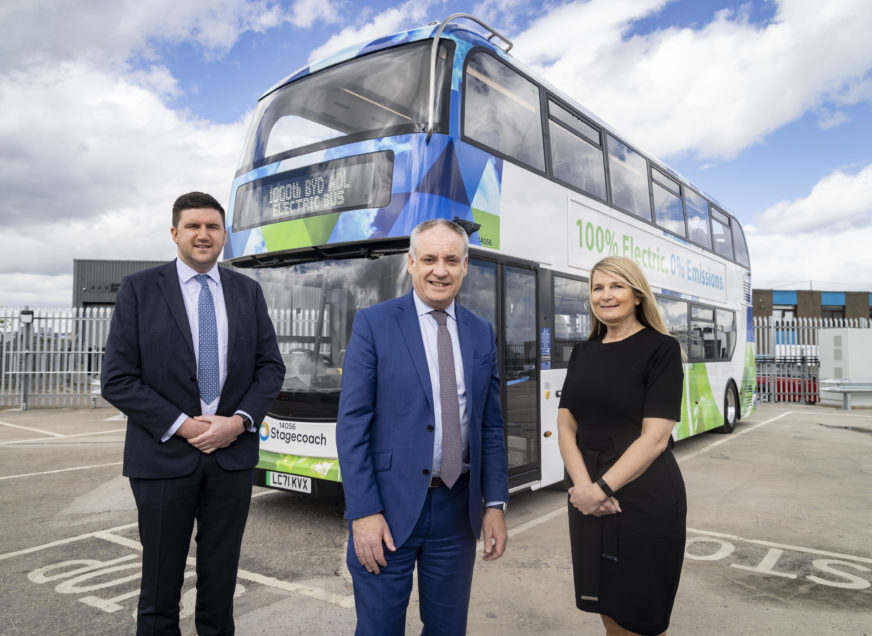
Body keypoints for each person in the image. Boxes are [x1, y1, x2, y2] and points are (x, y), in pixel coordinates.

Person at [101, 191, 285, 635]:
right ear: (174, 234)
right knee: (160, 587)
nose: (203, 235)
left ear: (225, 235)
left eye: (213, 227)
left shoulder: (248, 291)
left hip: (231, 459)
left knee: (220, 585)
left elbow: (270, 367)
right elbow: (118, 378)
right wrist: (183, 426)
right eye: (193, 226)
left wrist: (237, 422)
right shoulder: (140, 290)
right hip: (162, 461)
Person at [336, 218, 509, 636]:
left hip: (457, 510)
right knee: (378, 629)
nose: (440, 270)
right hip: (387, 512)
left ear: (465, 266)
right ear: (411, 263)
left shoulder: (481, 332)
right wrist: (364, 513)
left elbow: (490, 425)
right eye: (429, 258)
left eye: (452, 259)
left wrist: (495, 505)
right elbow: (352, 425)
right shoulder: (374, 323)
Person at [557, 256, 686, 636]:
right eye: (597, 287)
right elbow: (566, 423)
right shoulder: (583, 352)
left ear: (636, 295)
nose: (606, 295)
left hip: (642, 497)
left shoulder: (661, 349)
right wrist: (583, 489)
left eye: (616, 286)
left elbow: (656, 437)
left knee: (641, 620)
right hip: (588, 495)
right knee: (608, 610)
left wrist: (601, 489)